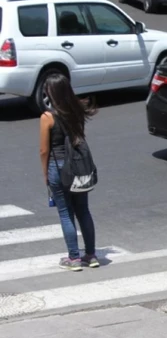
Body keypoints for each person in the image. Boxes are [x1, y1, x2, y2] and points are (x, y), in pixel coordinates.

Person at [39, 74, 99, 272]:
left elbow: (44, 150)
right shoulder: (77, 110)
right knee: (83, 210)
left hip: (58, 168)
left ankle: (73, 258)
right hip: (78, 167)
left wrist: (45, 174)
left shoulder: (47, 117)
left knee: (65, 213)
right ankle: (91, 256)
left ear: (51, 92)